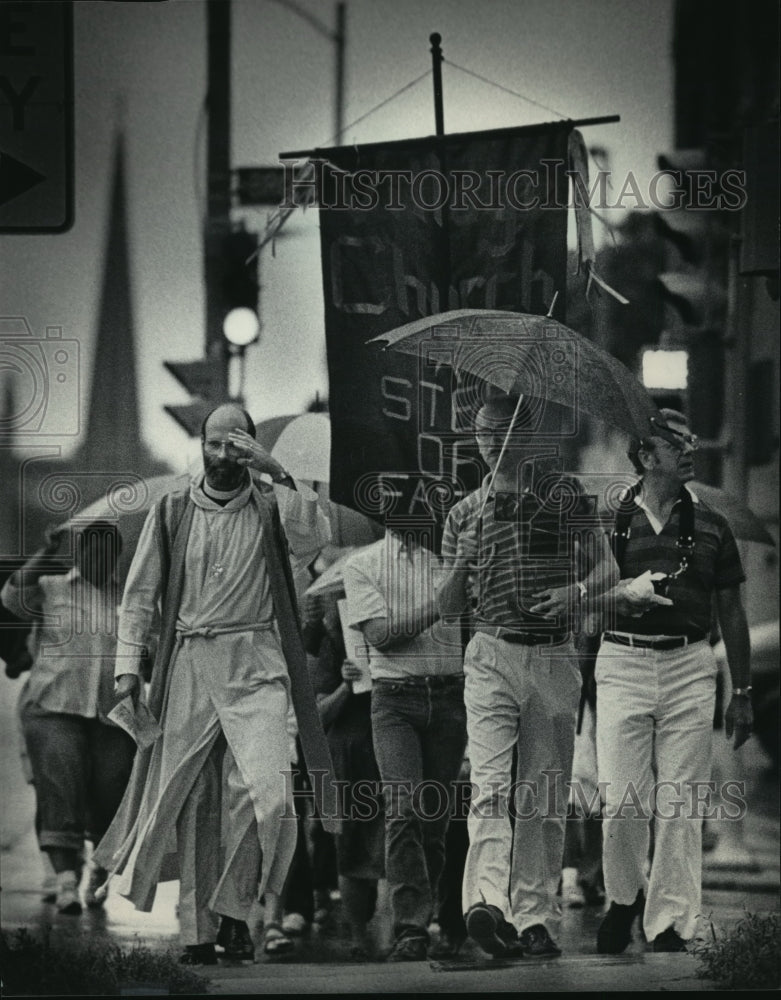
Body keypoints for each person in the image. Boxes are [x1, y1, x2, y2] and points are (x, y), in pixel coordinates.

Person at [94, 403, 339, 965]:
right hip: (190, 663)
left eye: (236, 444)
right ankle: (199, 934)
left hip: (257, 663)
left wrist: (277, 472)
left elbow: (314, 537)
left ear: (252, 449)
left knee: (268, 796)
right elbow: (137, 597)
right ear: (199, 447)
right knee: (196, 801)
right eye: (214, 444)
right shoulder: (173, 508)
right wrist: (128, 670)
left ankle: (235, 912)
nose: (224, 455)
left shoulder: (274, 505)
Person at [438, 393, 618, 959]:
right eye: (483, 433)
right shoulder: (464, 511)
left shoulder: (564, 496)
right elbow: (445, 609)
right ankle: (487, 904)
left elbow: (608, 567)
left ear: (525, 436)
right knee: (489, 787)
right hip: (491, 653)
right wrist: (464, 558)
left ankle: (536, 914)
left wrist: (576, 591)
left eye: (503, 432)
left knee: (542, 793)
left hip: (553, 654)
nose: (492, 442)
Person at [595, 409, 753, 954]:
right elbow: (585, 598)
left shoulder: (711, 524)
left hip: (690, 666)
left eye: (690, 439)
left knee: (681, 803)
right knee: (621, 802)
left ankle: (669, 923)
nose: (690, 448)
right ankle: (623, 897)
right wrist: (620, 595)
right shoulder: (607, 521)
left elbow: (732, 611)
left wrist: (743, 693)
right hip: (621, 663)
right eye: (676, 442)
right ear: (645, 457)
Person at [342, 526, 467, 962]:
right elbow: (380, 635)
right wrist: (441, 604)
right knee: (403, 807)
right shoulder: (362, 564)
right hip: (394, 699)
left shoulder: (452, 556)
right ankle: (410, 926)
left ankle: (427, 911)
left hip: (452, 695)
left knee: (435, 818)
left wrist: (464, 568)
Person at [1, 521, 136, 915]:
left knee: (111, 794)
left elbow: (152, 640)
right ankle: (63, 881)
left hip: (111, 714)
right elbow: (11, 596)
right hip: (55, 707)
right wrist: (46, 554)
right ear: (78, 553)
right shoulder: (52, 588)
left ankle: (99, 869)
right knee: (60, 790)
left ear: (115, 556)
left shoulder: (128, 597)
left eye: (107, 553)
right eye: (91, 551)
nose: (99, 559)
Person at [311, 591, 384, 960]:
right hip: (351, 753)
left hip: (386, 744)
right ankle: (359, 935)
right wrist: (346, 684)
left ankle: (392, 930)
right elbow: (318, 714)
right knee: (352, 848)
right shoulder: (334, 642)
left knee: (392, 842)